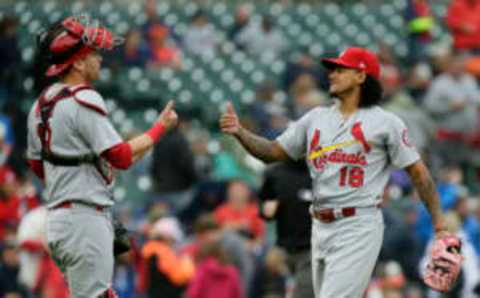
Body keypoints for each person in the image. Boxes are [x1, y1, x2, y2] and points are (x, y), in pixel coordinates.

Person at [219, 47, 448, 297]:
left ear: (361, 76)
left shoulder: (385, 123)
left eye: (341, 69)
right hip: (319, 225)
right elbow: (273, 152)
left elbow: (419, 173)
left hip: (357, 224)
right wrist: (240, 133)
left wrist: (439, 225)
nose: (332, 74)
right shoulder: (316, 118)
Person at [26, 16, 178, 298]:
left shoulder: (40, 104)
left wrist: (81, 171)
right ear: (79, 63)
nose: (99, 59)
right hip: (84, 219)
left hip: (58, 222)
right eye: (93, 54)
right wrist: (159, 129)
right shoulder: (84, 97)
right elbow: (120, 156)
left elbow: (37, 165)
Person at [259, 160, 314, 298]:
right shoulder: (273, 173)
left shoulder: (319, 172)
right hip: (283, 249)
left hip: (311, 250)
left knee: (303, 293)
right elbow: (265, 210)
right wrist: (267, 209)